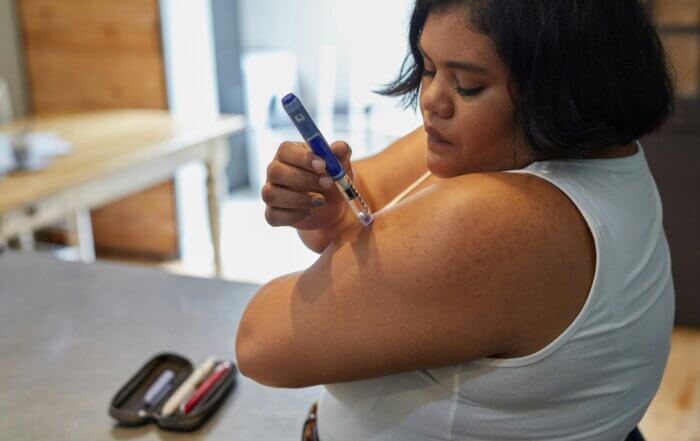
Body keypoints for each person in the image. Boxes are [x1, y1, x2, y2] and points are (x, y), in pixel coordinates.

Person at [235, 1, 676, 440]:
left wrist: (369, 259)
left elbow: (259, 341)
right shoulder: (593, 153)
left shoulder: (498, 220)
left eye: (465, 84)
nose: (429, 100)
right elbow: (362, 191)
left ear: (562, 87)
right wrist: (325, 211)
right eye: (428, 68)